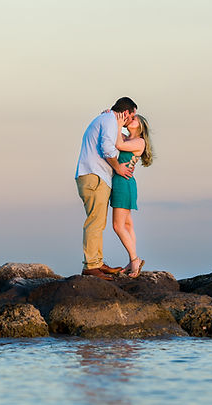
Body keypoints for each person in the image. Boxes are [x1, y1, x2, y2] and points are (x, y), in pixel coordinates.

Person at [75, 97, 138, 281]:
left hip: (92, 176)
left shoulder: (106, 119)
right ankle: (91, 266)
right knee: (95, 222)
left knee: (98, 222)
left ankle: (97, 262)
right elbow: (107, 148)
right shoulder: (110, 120)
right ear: (125, 112)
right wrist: (118, 167)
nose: (129, 122)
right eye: (131, 116)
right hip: (94, 176)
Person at [110, 113, 153, 277]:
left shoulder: (139, 141)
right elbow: (114, 132)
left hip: (124, 184)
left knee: (117, 226)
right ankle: (132, 260)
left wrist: (119, 124)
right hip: (124, 183)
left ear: (140, 126)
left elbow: (118, 144)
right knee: (127, 225)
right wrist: (111, 117)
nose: (130, 119)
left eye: (134, 119)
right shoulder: (128, 138)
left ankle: (135, 260)